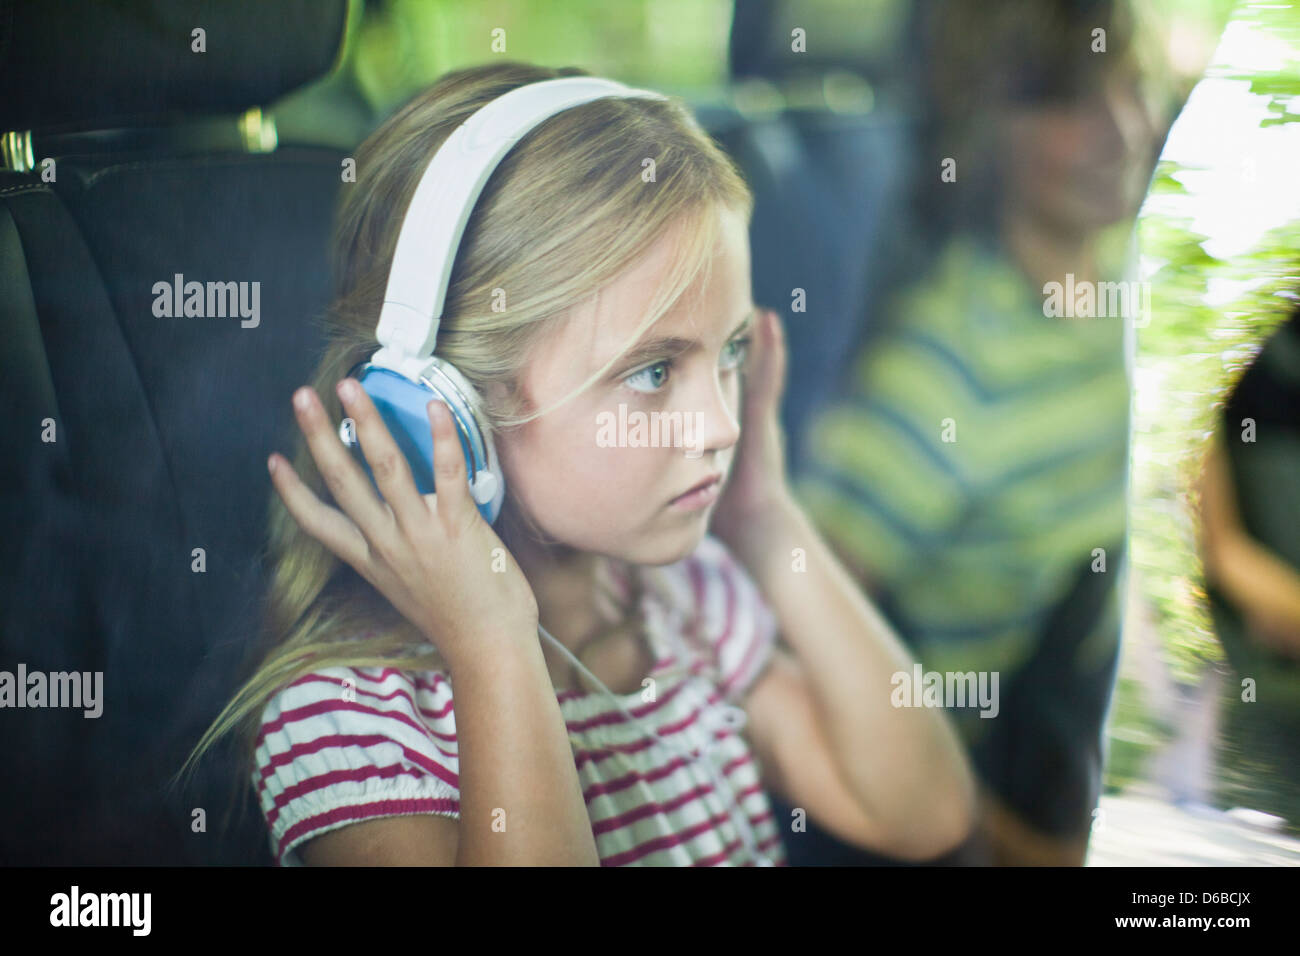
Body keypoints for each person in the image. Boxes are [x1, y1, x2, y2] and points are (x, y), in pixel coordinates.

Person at [174, 61, 976, 866]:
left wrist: (766, 522)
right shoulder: (353, 722)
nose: (722, 426)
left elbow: (921, 812)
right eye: (654, 372)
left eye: (729, 351)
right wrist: (493, 643)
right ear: (440, 410)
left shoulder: (685, 607)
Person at [786, 0, 1179, 866]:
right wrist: (996, 842)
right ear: (983, 127)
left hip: (1052, 729)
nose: (1125, 129)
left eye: (1135, 86)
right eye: (1070, 101)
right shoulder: (944, 376)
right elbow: (795, 647)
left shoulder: (1117, 275)